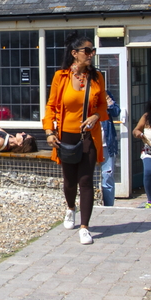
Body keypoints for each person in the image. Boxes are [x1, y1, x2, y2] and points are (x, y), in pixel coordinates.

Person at [44, 35, 109, 245]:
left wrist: (96, 116)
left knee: (86, 180)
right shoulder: (61, 77)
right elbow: (51, 106)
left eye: (92, 51)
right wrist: (49, 131)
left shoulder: (97, 77)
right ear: (74, 53)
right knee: (70, 181)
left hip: (89, 135)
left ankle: (84, 227)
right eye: (87, 51)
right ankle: (70, 207)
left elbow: (103, 106)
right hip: (65, 136)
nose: (91, 54)